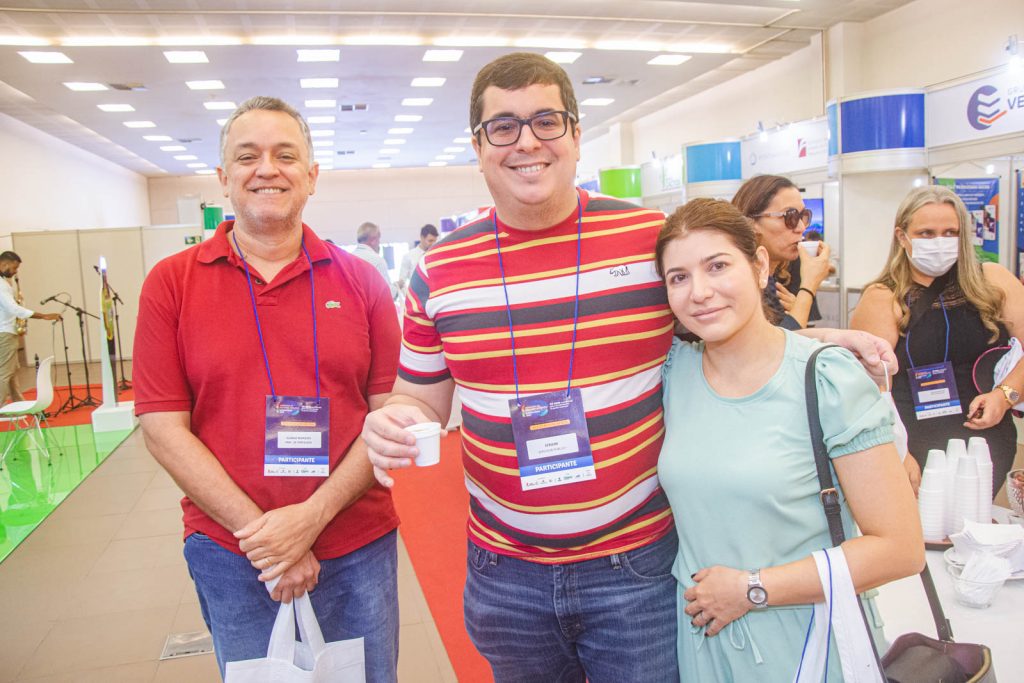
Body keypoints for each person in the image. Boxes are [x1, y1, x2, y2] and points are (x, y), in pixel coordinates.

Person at [361, 52, 895, 682]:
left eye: (546, 121)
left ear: (577, 135)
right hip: (505, 573)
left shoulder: (648, 240)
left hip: (636, 567)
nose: (526, 141)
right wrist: (394, 418)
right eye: (502, 126)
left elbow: (721, 317)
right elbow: (421, 398)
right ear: (479, 146)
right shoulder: (440, 271)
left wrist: (821, 340)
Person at [133, 96, 402, 680]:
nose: (267, 169)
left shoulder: (362, 283)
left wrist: (308, 518)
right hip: (233, 553)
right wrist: (265, 537)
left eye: (286, 155)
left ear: (311, 175)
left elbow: (387, 419)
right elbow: (161, 429)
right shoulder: (170, 285)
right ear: (223, 177)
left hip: (355, 544)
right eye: (247, 156)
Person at [656, 198, 923, 681]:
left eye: (718, 266)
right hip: (704, 643)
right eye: (679, 277)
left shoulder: (829, 381)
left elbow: (900, 547)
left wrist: (752, 589)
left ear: (759, 265)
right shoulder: (676, 371)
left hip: (810, 638)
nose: (700, 291)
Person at [850, 185, 1024, 498]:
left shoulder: (993, 282)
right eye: (927, 233)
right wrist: (895, 450)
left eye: (950, 232)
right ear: (902, 237)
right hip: (911, 442)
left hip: (986, 440)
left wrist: (1005, 396)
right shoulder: (883, 298)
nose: (939, 242)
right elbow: (866, 387)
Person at [732, 175, 833, 329]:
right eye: (790, 217)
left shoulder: (777, 276)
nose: (801, 228)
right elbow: (774, 349)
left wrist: (798, 308)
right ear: (752, 222)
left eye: (803, 217)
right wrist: (807, 289)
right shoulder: (739, 281)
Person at [0, 251, 61, 405]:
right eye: (14, 268)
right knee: (4, 373)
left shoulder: (4, 283)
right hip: (4, 332)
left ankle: (17, 402)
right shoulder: (1, 285)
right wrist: (43, 316)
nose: (15, 272)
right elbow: (14, 309)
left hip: (7, 330)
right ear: (4, 264)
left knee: (12, 371)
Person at [352, 220, 399, 300]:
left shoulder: (348, 258)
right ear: (373, 240)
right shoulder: (377, 260)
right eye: (378, 240)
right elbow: (388, 294)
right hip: (372, 310)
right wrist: (396, 287)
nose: (379, 243)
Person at [396, 223, 438, 294]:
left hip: (434, 295)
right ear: (422, 237)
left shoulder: (436, 255)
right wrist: (408, 297)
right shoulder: (408, 256)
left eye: (435, 241)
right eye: (430, 241)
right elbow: (401, 282)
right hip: (417, 296)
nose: (433, 244)